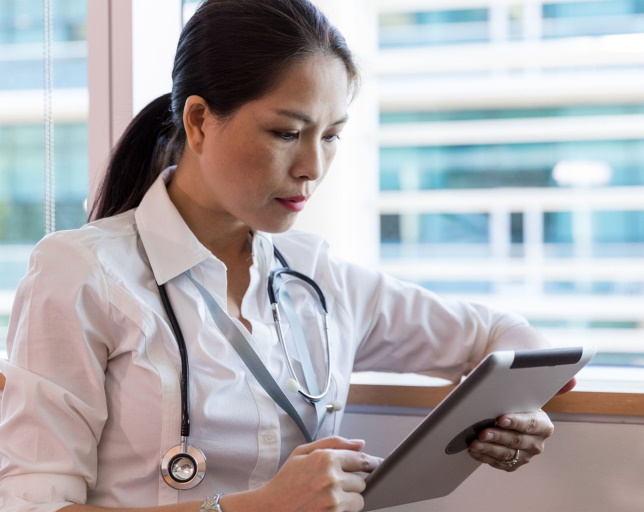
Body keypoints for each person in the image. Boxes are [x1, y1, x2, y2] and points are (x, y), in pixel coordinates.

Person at [0, 1, 573, 511]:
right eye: (285, 133)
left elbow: (506, 335)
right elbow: (34, 505)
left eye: (330, 136)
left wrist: (521, 412)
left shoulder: (317, 278)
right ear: (199, 121)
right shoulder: (84, 273)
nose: (312, 168)